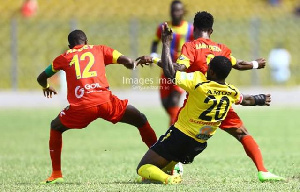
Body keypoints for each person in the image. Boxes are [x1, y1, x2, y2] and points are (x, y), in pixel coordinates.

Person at [142, 11, 285, 182]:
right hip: (221, 102)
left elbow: (176, 69)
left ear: (194, 28)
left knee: (181, 134)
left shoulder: (191, 47)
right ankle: (263, 171)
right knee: (242, 133)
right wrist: (255, 64)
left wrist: (156, 59)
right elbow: (238, 64)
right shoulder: (221, 49)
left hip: (198, 101)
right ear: (211, 30)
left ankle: (172, 166)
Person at [37, 30, 157, 184]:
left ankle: (56, 174)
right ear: (86, 41)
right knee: (140, 119)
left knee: (55, 127)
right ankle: (160, 163)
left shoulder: (64, 57)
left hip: (81, 107)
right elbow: (126, 60)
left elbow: (41, 77)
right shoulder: (99, 49)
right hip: (106, 102)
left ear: (70, 45)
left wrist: (46, 86)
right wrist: (133, 64)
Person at [150, 0, 193, 126]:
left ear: (183, 12)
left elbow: (195, 46)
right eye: (173, 10)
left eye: (178, 10)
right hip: (165, 70)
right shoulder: (163, 27)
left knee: (174, 101)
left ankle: (173, 134)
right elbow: (155, 42)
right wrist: (153, 54)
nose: (175, 13)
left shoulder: (190, 29)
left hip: (180, 71)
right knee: (165, 103)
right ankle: (182, 122)